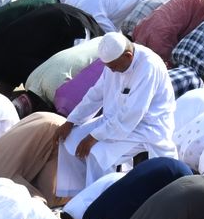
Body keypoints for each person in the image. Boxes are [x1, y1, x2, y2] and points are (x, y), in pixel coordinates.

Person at [56, 34, 176, 195]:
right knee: (69, 140)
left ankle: (99, 199)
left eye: (113, 66)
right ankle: (77, 195)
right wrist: (71, 121)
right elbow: (96, 94)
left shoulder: (148, 66)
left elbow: (133, 113)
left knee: (97, 154)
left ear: (128, 56)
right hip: (114, 122)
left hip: (146, 127)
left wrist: (94, 136)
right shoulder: (115, 62)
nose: (111, 70)